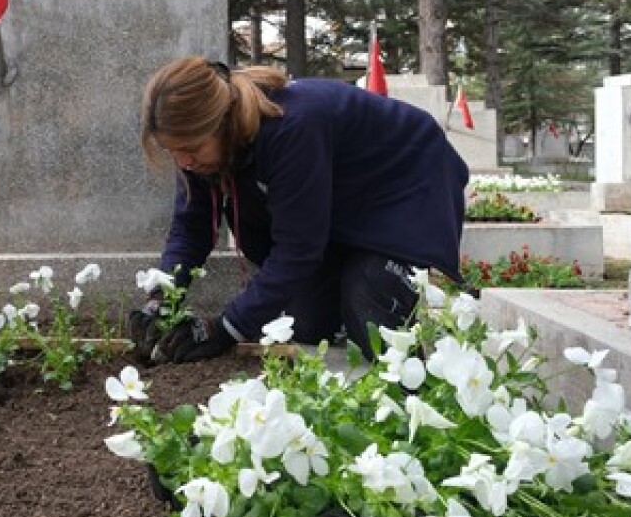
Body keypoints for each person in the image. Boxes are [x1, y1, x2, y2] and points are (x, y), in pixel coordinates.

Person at [128, 56, 468, 364]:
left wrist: (225, 328)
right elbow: (192, 229)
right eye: (172, 152)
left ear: (223, 122)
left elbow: (298, 249)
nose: (183, 162)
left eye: (190, 149)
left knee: (368, 297)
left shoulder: (292, 126)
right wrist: (162, 299)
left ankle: (416, 394)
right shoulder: (201, 152)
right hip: (345, 205)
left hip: (407, 188)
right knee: (301, 322)